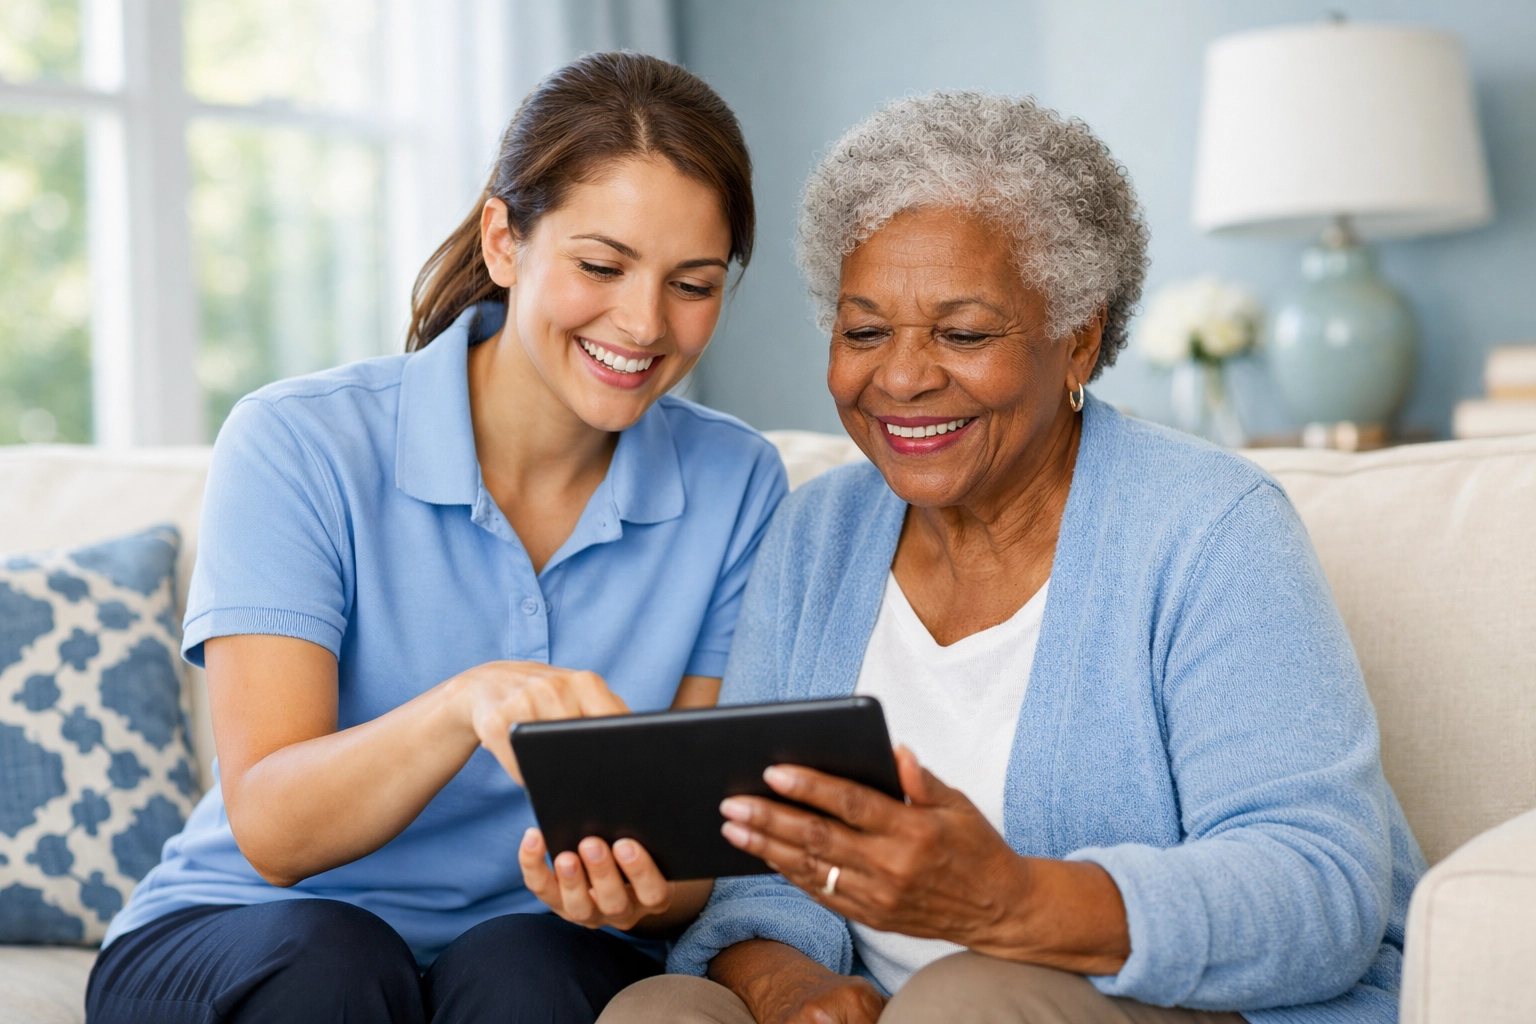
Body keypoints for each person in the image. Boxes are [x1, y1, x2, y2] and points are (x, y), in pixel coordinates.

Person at [599, 92, 1423, 1024]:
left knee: (964, 1001)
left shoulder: (1212, 528)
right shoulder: (815, 534)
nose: (902, 377)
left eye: (964, 333)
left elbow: (1319, 888)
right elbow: (764, 873)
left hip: (1154, 1003)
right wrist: (801, 995)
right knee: (659, 1009)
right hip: (885, 1007)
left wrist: (1009, 902)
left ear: (1080, 340)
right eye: (865, 330)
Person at [86, 52, 786, 1024]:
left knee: (528, 974)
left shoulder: (738, 483)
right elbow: (275, 833)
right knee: (333, 959)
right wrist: (466, 702)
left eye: (694, 283)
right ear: (505, 239)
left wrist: (640, 886)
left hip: (538, 938)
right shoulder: (301, 442)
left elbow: (691, 865)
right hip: (257, 922)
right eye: (600, 265)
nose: (643, 321)